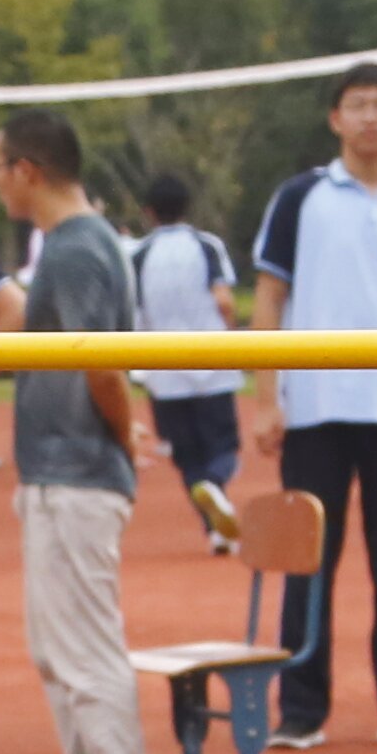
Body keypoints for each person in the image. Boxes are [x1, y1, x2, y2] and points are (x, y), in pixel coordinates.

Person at [248, 67, 377, 749]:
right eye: (357, 105)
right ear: (335, 120)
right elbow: (269, 300)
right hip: (317, 405)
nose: (369, 117)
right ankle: (301, 708)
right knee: (309, 560)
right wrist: (266, 397)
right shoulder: (301, 197)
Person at [0, 110, 151, 754]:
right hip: (54, 470)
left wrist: (123, 440)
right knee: (55, 648)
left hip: (81, 472)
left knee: (86, 647)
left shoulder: (81, 248)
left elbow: (103, 363)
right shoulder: (67, 246)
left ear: (27, 170)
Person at [128, 172, 245, 548]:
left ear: (148, 212)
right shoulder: (206, 245)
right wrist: (233, 334)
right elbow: (224, 300)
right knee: (223, 446)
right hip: (212, 364)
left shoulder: (139, 255)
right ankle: (215, 484)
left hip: (166, 370)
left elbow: (134, 314)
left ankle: (213, 528)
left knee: (185, 453)